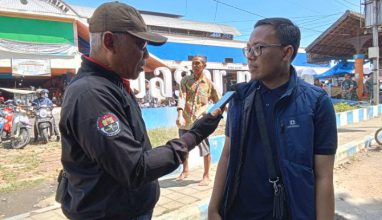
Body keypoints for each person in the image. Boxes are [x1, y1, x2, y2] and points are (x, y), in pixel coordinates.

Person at [57, 2, 222, 220]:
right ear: (109, 41)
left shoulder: (112, 84)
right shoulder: (91, 94)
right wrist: (194, 135)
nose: (145, 56)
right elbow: (135, 168)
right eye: (140, 46)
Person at [208, 18, 337, 220]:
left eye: (258, 48)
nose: (250, 56)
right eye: (248, 48)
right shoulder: (240, 98)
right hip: (238, 213)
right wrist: (213, 209)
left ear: (287, 53)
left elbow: (324, 176)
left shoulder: (316, 103)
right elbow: (227, 155)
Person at [176, 56, 220, 185]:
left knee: (205, 149)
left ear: (204, 66)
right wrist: (179, 115)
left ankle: (206, 176)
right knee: (183, 147)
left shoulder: (209, 84)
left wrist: (214, 116)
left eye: (198, 64)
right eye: (193, 64)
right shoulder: (185, 80)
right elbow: (182, 97)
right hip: (185, 120)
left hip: (200, 122)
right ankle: (185, 170)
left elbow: (219, 101)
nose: (195, 66)